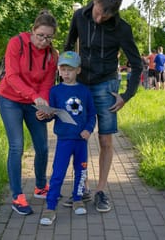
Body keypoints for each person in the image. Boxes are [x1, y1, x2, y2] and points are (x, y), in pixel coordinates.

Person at [64, 0, 143, 213]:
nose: (99, 19)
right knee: (78, 137)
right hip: (81, 84)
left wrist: (127, 95)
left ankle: (101, 190)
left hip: (106, 86)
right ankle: (82, 187)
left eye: (105, 17)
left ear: (114, 13)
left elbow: (137, 65)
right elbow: (68, 46)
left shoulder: (122, 29)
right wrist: (64, 80)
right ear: (95, 2)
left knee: (105, 140)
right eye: (98, 12)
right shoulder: (79, 16)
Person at [0, 10, 58, 216]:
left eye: (49, 37)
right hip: (10, 100)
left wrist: (43, 106)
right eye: (41, 35)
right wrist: (35, 97)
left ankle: (41, 187)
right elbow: (12, 76)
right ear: (33, 31)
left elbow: (47, 84)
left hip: (33, 103)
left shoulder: (52, 55)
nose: (44, 41)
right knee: (16, 146)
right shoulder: (17, 43)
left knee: (42, 146)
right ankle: (17, 195)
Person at [39, 51, 97, 226]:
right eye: (63, 69)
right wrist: (45, 115)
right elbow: (52, 114)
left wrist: (88, 130)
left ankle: (78, 198)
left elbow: (92, 114)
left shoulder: (84, 91)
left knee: (81, 171)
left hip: (81, 140)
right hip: (64, 139)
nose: (66, 73)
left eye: (70, 70)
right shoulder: (55, 91)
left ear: (78, 70)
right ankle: (50, 207)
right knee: (58, 173)